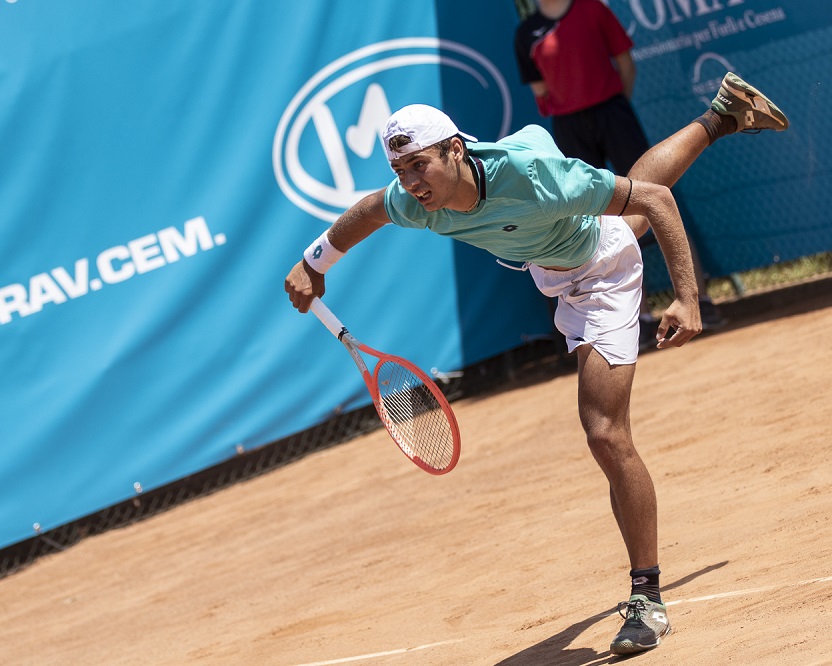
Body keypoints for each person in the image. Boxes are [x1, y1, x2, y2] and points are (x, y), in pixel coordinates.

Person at [284, 73, 788, 655]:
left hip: (599, 272)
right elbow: (370, 209)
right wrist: (314, 261)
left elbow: (658, 199)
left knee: (605, 431)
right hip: (553, 258)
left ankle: (647, 599)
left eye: (419, 165)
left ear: (455, 150)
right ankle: (723, 114)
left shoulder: (534, 182)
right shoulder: (415, 202)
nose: (410, 182)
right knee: (624, 203)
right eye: (401, 171)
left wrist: (687, 297)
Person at [513, 0, 727, 350]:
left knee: (654, 193)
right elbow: (541, 91)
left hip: (614, 114)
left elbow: (625, 65)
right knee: (596, 220)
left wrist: (613, 105)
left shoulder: (592, 9)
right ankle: (636, 319)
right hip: (569, 128)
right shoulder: (526, 33)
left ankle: (699, 301)